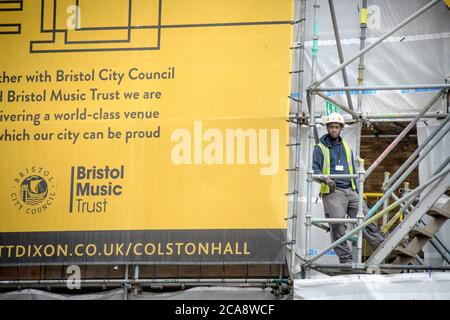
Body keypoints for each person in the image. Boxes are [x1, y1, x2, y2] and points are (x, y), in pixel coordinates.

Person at [312, 113, 385, 264]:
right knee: (338, 225)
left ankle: (383, 249)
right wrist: (325, 179)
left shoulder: (346, 147)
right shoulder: (319, 148)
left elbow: (352, 170)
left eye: (336, 127)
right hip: (333, 192)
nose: (333, 130)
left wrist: (358, 192)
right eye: (331, 127)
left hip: (350, 190)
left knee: (366, 219)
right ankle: (345, 259)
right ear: (327, 128)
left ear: (341, 128)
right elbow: (314, 171)